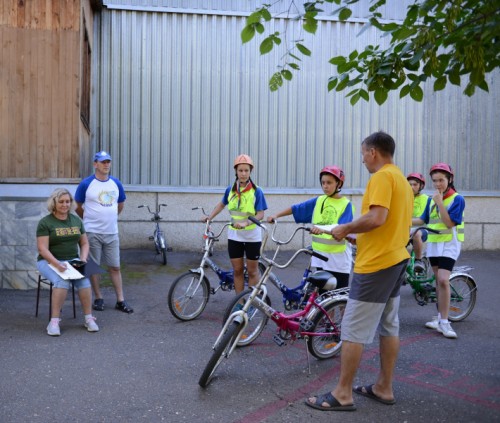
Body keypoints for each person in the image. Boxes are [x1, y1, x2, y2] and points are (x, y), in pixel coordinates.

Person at [305, 131, 413, 411]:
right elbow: (389, 223)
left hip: (376, 265)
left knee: (352, 328)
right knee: (389, 325)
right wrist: (358, 236)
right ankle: (383, 387)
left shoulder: (380, 177)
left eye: (363, 153)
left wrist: (346, 228)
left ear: (373, 152)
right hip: (396, 259)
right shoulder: (400, 178)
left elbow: (377, 217)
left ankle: (342, 393)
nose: (362, 159)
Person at [267, 165, 354, 288]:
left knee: (337, 297)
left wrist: (322, 229)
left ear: (338, 184)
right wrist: (276, 215)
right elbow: (297, 208)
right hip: (321, 258)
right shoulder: (319, 201)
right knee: (322, 298)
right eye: (323, 182)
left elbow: (342, 228)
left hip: (338, 261)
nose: (325, 186)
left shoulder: (346, 205)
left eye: (329, 182)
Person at [75, 151, 133, 313]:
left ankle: (120, 300)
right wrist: (87, 220)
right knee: (94, 267)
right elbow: (77, 205)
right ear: (95, 164)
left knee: (115, 267)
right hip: (92, 232)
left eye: (108, 161)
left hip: (111, 233)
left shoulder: (116, 183)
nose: (106, 164)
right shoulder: (86, 184)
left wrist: (111, 218)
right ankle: (98, 298)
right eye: (102, 162)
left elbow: (120, 204)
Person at [36, 188, 99, 336]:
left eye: (68, 201)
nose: (65, 204)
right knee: (61, 281)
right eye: (61, 201)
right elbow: (42, 249)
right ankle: (54, 322)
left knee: (84, 280)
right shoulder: (45, 222)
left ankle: (88, 319)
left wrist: (83, 259)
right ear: (54, 203)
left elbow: (84, 243)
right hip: (48, 261)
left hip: (73, 260)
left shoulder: (76, 220)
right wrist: (57, 264)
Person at [412, 163, 465, 339]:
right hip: (434, 244)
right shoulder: (433, 199)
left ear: (450, 179)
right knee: (438, 281)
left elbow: (449, 223)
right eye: (435, 181)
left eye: (441, 180)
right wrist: (402, 220)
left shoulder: (457, 199)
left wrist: (440, 203)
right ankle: (440, 318)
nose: (438, 184)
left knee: (443, 280)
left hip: (450, 243)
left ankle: (445, 322)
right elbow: (422, 220)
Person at [203, 154, 268, 295]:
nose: (243, 174)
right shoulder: (230, 190)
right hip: (234, 236)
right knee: (237, 270)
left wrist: (247, 222)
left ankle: (252, 303)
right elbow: (221, 205)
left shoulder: (257, 191)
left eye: (246, 170)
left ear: (250, 172)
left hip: (252, 236)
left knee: (252, 271)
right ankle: (239, 302)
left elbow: (261, 214)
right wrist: (209, 217)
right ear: (236, 171)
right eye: (240, 170)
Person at [407, 172, 431, 273]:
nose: (412, 187)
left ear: (421, 186)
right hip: (407, 228)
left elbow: (422, 221)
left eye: (415, 184)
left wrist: (404, 222)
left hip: (422, 229)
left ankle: (418, 260)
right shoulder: (404, 198)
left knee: (417, 233)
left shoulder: (426, 199)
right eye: (409, 184)